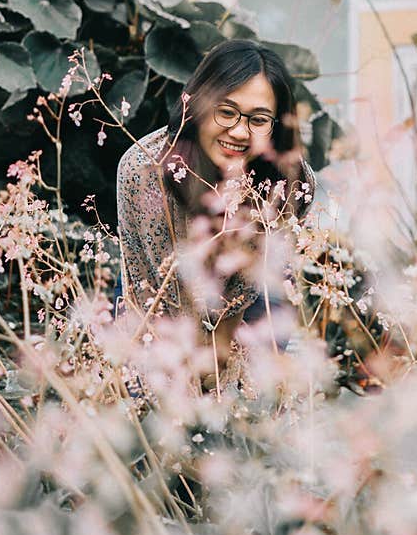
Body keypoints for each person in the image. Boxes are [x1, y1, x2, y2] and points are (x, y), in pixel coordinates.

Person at [114, 39, 316, 388]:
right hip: (154, 282)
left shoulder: (291, 183)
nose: (239, 131)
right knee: (147, 387)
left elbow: (242, 298)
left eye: (258, 119)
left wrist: (221, 367)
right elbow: (153, 294)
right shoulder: (142, 170)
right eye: (226, 111)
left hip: (248, 292)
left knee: (248, 399)